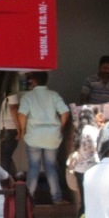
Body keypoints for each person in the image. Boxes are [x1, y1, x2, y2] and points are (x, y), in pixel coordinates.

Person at [17, 71, 69, 205]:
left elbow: (22, 115)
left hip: (34, 136)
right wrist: (60, 128)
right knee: (51, 167)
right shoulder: (54, 95)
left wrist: (22, 130)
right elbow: (65, 112)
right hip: (52, 136)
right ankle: (57, 198)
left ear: (33, 81)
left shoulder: (28, 97)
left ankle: (28, 199)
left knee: (34, 167)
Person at [71, 105, 103, 215]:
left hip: (79, 169)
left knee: (84, 200)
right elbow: (97, 148)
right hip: (93, 169)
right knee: (93, 200)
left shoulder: (78, 130)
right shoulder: (92, 130)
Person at [0, 87, 20, 176]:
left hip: (4, 129)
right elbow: (13, 109)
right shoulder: (12, 94)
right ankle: (6, 179)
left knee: (5, 156)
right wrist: (19, 129)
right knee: (6, 157)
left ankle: (10, 177)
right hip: (10, 129)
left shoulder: (3, 95)